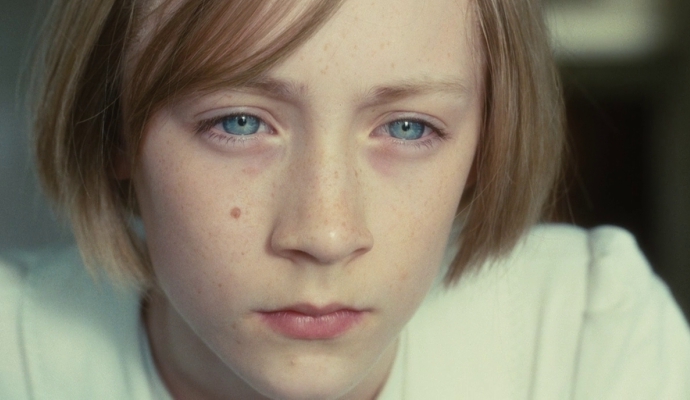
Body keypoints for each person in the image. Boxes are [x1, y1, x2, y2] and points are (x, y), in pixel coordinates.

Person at [1, 0, 689, 398]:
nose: (326, 235)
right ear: (113, 127)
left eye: (408, 128)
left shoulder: (586, 333)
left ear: (489, 137)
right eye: (239, 123)